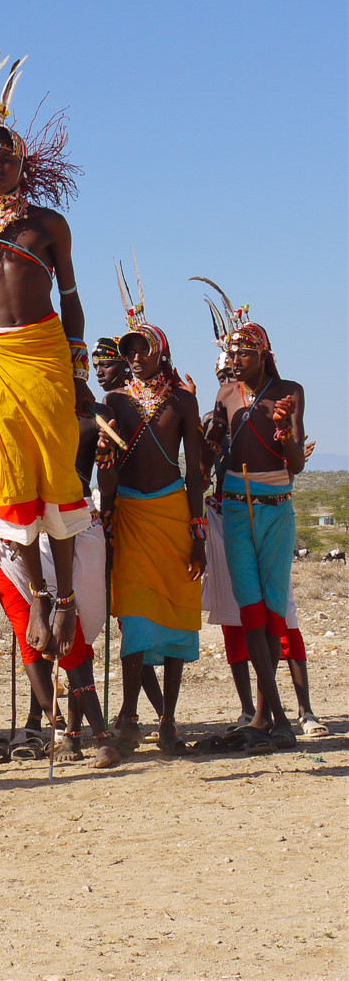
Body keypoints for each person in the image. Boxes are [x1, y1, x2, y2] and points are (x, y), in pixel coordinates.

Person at [0, 52, 93, 661]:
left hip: (47, 353)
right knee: (15, 474)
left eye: (7, 156)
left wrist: (79, 374)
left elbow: (73, 300)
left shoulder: (47, 224)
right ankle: (35, 593)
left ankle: (65, 600)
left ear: (21, 163)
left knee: (57, 467)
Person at [0, 399, 121, 769]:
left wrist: (106, 455)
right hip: (14, 533)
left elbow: (108, 486)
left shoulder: (93, 413)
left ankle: (73, 732)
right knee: (36, 636)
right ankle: (79, 734)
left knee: (75, 634)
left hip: (76, 524)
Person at [200, 281, 308, 750]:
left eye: (246, 353)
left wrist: (286, 429)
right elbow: (214, 447)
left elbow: (297, 464)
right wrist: (205, 428)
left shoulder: (289, 391)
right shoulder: (226, 394)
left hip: (276, 507)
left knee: (273, 609)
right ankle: (275, 716)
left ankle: (271, 715)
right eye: (233, 353)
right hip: (236, 508)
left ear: (264, 354)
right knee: (250, 611)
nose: (238, 360)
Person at [97, 288, 205, 756]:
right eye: (129, 351)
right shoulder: (115, 402)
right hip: (131, 515)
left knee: (178, 616)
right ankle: (126, 716)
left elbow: (197, 472)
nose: (135, 357)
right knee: (135, 617)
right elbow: (105, 464)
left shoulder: (182, 402)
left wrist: (198, 533)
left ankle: (168, 721)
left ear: (160, 351)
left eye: (143, 349)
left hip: (173, 513)